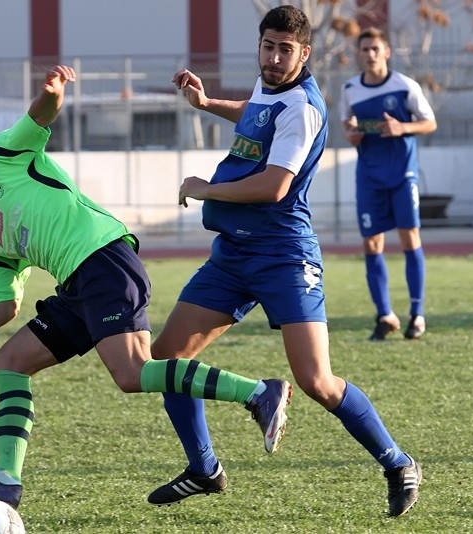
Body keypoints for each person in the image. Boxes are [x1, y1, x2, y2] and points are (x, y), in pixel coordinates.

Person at [0, 65, 291, 511]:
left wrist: (52, 93)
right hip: (76, 285)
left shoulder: (0, 157)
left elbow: (40, 116)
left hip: (103, 258)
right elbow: (4, 306)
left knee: (132, 373)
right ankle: (5, 480)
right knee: (9, 362)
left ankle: (260, 393)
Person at [147, 6, 422, 518]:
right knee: (165, 362)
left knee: (318, 381)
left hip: (283, 256)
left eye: (285, 50)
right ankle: (204, 468)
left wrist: (208, 189)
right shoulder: (268, 89)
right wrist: (207, 103)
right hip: (233, 255)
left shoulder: (304, 106)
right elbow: (254, 114)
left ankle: (398, 462)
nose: (274, 59)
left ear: (305, 53)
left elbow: (274, 186)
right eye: (268, 47)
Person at [340, 27, 437, 341]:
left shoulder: (404, 85)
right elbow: (348, 123)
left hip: (401, 175)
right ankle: (385, 315)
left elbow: (430, 122)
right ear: (359, 53)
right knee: (371, 243)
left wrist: (402, 128)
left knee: (409, 238)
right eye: (364, 49)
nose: (369, 55)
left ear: (386, 52)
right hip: (369, 176)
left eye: (375, 49)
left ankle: (417, 314)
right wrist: (351, 133)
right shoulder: (351, 88)